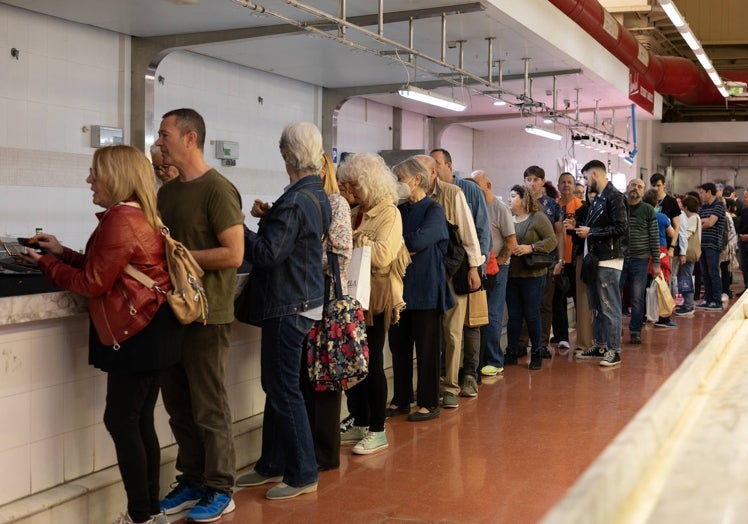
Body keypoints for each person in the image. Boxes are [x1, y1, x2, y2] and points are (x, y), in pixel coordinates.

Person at [20, 146, 182, 524]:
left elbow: (92, 283)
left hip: (137, 331)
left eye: (95, 173)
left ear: (116, 177)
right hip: (153, 328)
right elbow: (108, 267)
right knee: (139, 420)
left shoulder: (120, 219)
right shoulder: (138, 215)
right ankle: (150, 511)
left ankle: (141, 514)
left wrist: (44, 263)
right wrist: (62, 252)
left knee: (122, 421)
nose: (89, 180)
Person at [155, 108, 244, 521]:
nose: (160, 141)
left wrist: (182, 257)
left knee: (209, 404)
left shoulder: (218, 190)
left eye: (165, 134)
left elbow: (233, 253)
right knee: (178, 403)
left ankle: (221, 486)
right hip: (171, 312)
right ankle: (191, 479)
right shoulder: (167, 193)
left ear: (190, 139)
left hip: (209, 313)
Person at [235, 121, 331, 500]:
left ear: (287, 156)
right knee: (281, 386)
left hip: (287, 304)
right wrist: (268, 217)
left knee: (282, 389)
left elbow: (267, 254)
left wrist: (238, 228)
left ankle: (302, 472)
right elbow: (294, 240)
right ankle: (271, 463)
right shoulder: (314, 194)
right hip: (305, 300)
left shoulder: (294, 201)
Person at [337, 153, 410, 454]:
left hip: (377, 298)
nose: (351, 191)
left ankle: (378, 430)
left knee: (373, 362)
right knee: (353, 361)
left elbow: (383, 256)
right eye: (348, 185)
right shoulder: (353, 210)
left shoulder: (389, 213)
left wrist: (355, 239)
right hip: (352, 295)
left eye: (355, 185)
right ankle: (360, 421)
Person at [388, 157, 453, 421]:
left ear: (417, 179)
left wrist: (395, 245)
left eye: (400, 178)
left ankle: (429, 402)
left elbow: (418, 240)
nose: (397, 184)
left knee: (427, 350)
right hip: (400, 290)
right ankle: (401, 399)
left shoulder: (433, 210)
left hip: (426, 289)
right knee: (399, 348)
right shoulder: (399, 210)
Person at [415, 155, 483, 409]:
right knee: (429, 333)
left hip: (453, 271)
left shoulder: (452, 194)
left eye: (419, 171)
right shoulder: (408, 199)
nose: (415, 177)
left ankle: (451, 386)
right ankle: (428, 384)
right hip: (425, 274)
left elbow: (468, 233)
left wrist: (474, 268)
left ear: (433, 173)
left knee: (453, 332)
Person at [299, 151, 352, 470]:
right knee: (307, 378)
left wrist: (302, 254)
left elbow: (340, 257)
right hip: (306, 300)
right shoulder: (301, 201)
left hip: (328, 300)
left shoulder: (336, 203)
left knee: (327, 378)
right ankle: (309, 449)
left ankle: (325, 453)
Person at [430, 148, 490, 396]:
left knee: (471, 323)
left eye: (436, 164)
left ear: (448, 166)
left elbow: (481, 230)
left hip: (468, 267)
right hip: (443, 270)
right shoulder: (430, 196)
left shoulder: (467, 191)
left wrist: (477, 268)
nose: (432, 170)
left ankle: (469, 375)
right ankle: (447, 375)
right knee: (448, 328)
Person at [575, 160, 627, 367]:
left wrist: (591, 232)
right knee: (596, 306)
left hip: (609, 260)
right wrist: (580, 228)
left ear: (595, 174)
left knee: (609, 306)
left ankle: (614, 350)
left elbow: (621, 228)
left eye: (587, 178)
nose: (586, 183)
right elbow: (596, 225)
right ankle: (601, 344)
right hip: (595, 259)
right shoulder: (599, 199)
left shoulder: (614, 197)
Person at [504, 184, 557, 370]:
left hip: (533, 274)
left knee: (532, 314)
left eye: (513, 196)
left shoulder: (538, 218)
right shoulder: (508, 218)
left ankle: (536, 351)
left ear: (524, 199)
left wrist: (531, 247)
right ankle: (511, 351)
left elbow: (552, 240)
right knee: (514, 315)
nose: (509, 199)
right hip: (512, 274)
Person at [470, 170, 517, 377]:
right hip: (481, 268)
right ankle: (479, 360)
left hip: (498, 268)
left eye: (477, 185)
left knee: (493, 314)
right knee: (480, 315)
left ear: (487, 185)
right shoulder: (474, 207)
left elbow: (510, 242)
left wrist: (497, 264)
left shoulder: (500, 209)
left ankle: (494, 360)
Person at [522, 166, 565, 359]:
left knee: (545, 304)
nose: (532, 183)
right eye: (528, 179)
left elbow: (559, 233)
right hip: (523, 260)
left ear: (542, 181)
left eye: (535, 179)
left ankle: (541, 344)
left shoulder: (551, 205)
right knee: (524, 304)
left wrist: (560, 259)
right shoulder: (519, 202)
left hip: (547, 260)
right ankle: (521, 343)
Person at [619, 180, 661, 344]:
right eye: (633, 185)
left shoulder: (648, 210)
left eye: (640, 187)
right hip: (619, 258)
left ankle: (635, 330)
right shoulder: (619, 206)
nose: (635, 188)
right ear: (627, 187)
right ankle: (616, 328)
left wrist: (656, 263)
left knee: (637, 297)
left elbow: (654, 236)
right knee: (616, 294)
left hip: (640, 259)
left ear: (643, 192)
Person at [553, 172, 583, 350]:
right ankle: (561, 336)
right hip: (559, 260)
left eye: (569, 182)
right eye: (563, 182)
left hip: (576, 258)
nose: (566, 185)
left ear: (574, 186)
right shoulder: (553, 206)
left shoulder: (580, 206)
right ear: (558, 185)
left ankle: (583, 336)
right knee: (558, 299)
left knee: (580, 300)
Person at [643, 189, 676, 328]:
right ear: (657, 202)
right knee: (662, 285)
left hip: (644, 251)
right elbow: (672, 233)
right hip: (660, 251)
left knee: (646, 284)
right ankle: (664, 318)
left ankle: (645, 315)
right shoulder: (662, 217)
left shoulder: (641, 216)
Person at [696, 182, 726, 311]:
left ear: (709, 192)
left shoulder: (719, 205)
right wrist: (703, 221)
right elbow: (697, 219)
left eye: (702, 192)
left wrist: (701, 223)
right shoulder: (702, 207)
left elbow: (711, 223)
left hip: (712, 244)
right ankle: (707, 299)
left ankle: (717, 301)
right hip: (702, 244)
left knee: (713, 273)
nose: (701, 195)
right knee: (705, 274)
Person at [675, 194, 702, 316]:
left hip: (688, 253)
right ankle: (687, 303)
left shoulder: (692, 218)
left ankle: (688, 305)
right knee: (686, 277)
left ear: (686, 207)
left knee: (686, 278)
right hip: (690, 253)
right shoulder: (696, 217)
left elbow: (686, 234)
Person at [737, 190, 748, 297]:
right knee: (744, 267)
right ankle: (746, 287)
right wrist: (740, 235)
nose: (744, 199)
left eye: (746, 197)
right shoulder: (744, 210)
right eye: (744, 197)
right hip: (742, 242)